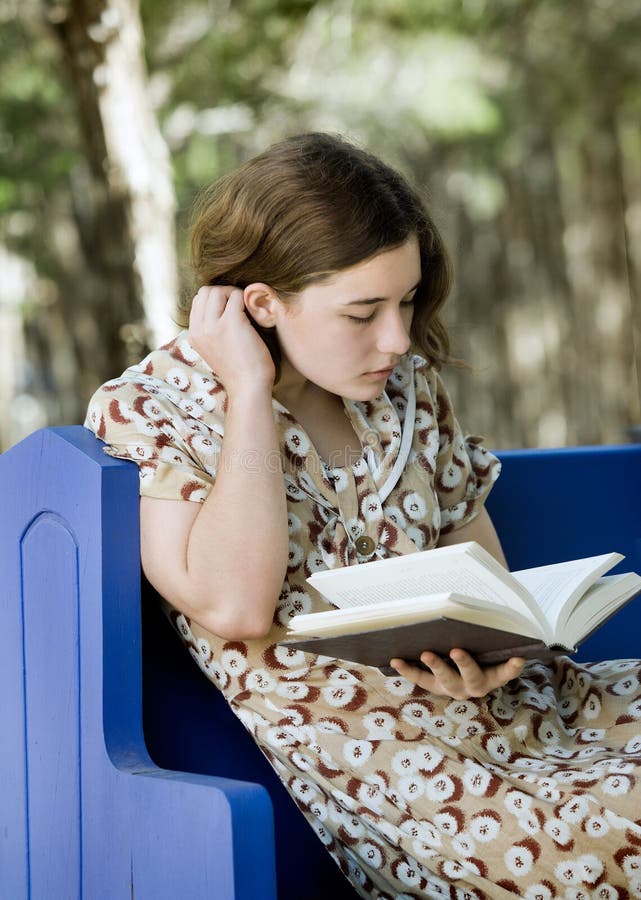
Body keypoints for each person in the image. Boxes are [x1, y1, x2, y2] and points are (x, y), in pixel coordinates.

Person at [85, 133, 641, 899]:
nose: (398, 339)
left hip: (523, 716)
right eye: (362, 312)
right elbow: (236, 606)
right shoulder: (154, 407)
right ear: (261, 303)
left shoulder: (405, 390)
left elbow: (483, 581)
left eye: (406, 301)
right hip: (402, 780)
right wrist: (247, 390)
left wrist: (491, 657)